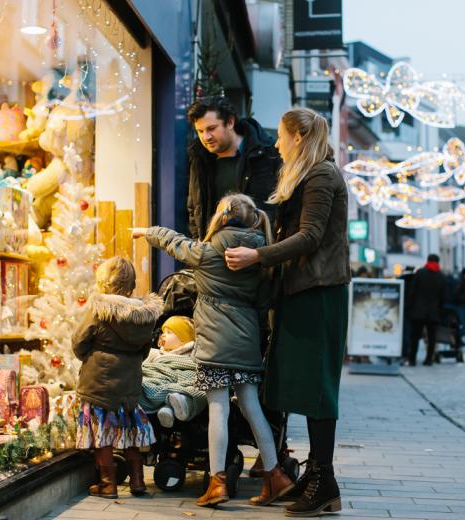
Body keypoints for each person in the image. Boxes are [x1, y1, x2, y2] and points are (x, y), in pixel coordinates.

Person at [224, 108, 349, 517]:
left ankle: (324, 480)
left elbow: (310, 236)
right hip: (301, 291)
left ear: (298, 136)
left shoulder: (322, 176)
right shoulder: (309, 175)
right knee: (300, 384)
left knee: (317, 388)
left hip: (319, 293)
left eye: (280, 136)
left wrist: (257, 255)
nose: (276, 144)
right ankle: (315, 476)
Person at [132, 193, 294, 507]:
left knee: (218, 407)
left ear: (219, 219)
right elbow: (263, 302)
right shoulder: (259, 256)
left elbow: (175, 242)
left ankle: (217, 481)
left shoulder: (208, 251)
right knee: (251, 406)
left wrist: (147, 231)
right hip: (246, 344)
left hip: (215, 346)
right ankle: (275, 475)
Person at [72, 256, 163, 498]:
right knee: (130, 432)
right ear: (132, 284)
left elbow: (80, 341)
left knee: (103, 434)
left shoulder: (99, 310)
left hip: (98, 384)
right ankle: (137, 481)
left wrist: (87, 357)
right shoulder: (143, 316)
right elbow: (144, 350)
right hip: (129, 383)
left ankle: (107, 484)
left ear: (103, 282)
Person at [186, 96, 281, 240]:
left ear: (230, 122)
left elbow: (279, 204)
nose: (206, 137)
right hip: (212, 252)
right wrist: (198, 242)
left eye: (211, 128)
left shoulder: (266, 153)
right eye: (200, 131)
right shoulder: (199, 158)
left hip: (257, 251)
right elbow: (194, 207)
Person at [140, 316, 206, 429]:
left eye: (169, 332)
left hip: (182, 380)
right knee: (147, 382)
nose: (163, 335)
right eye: (163, 332)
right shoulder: (156, 353)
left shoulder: (193, 354)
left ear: (183, 338)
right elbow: (145, 366)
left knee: (197, 389)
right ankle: (168, 409)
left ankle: (178, 406)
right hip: (160, 379)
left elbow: (195, 369)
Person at [406, 255, 447, 365]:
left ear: (428, 261)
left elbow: (412, 292)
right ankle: (429, 359)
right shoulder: (441, 276)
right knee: (432, 337)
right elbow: (443, 297)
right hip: (433, 312)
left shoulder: (420, 273)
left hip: (418, 311)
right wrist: (441, 311)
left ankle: (412, 359)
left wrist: (410, 307)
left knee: (415, 336)